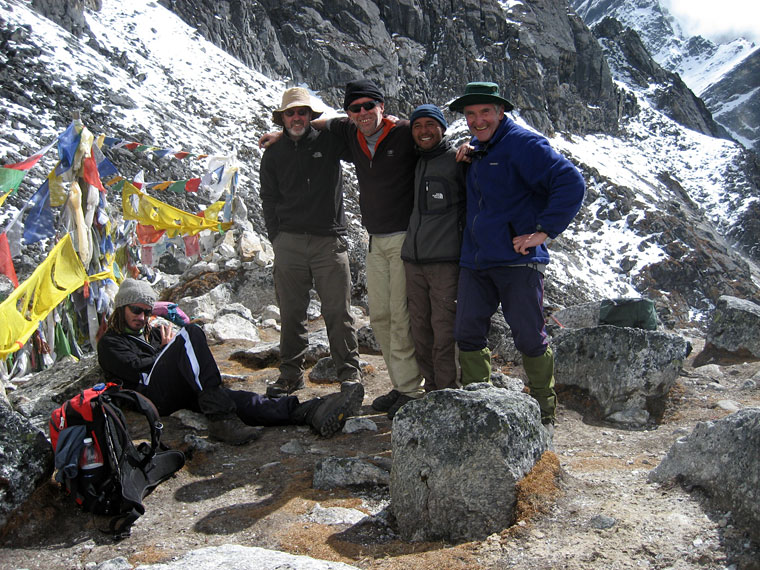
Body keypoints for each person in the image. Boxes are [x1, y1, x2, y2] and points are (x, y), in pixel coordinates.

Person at [448, 82, 585, 425]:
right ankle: (478, 405)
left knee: (528, 335)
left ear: (500, 112)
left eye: (485, 112)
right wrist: (467, 157)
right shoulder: (480, 147)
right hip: (476, 261)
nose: (478, 120)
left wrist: (544, 232)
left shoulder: (523, 144)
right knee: (467, 332)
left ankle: (544, 409)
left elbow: (571, 182)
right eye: (471, 114)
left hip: (518, 260)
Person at [97, 278, 364, 444]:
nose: (142, 317)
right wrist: (165, 350)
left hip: (178, 392)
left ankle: (308, 411)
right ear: (121, 308)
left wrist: (166, 348)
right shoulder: (110, 343)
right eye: (136, 310)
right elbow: (136, 370)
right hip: (152, 396)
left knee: (239, 399)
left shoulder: (153, 333)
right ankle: (220, 418)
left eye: (147, 312)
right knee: (191, 333)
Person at [324, 79, 424, 419]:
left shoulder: (405, 132)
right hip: (375, 239)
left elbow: (434, 143)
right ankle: (401, 384)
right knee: (380, 316)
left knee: (400, 315)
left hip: (405, 237)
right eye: (356, 108)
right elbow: (320, 124)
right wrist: (281, 135)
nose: (363, 112)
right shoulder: (351, 133)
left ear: (382, 106)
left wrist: (464, 150)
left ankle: (412, 390)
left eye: (369, 105)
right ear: (349, 113)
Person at [259, 87, 361, 398]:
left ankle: (350, 375)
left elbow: (354, 126)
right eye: (290, 113)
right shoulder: (273, 153)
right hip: (288, 242)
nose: (296, 118)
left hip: (328, 241)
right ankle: (291, 374)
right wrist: (276, 237)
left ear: (310, 115)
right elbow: (268, 197)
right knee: (291, 312)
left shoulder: (329, 141)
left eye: (302, 113)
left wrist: (318, 124)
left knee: (338, 312)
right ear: (282, 118)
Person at [400, 104, 466, 392]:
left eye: (430, 125)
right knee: (420, 330)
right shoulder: (414, 161)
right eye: (417, 126)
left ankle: (448, 392)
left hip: (445, 262)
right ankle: (431, 389)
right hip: (413, 262)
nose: (424, 131)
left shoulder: (458, 160)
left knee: (444, 329)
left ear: (443, 128)